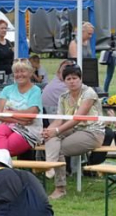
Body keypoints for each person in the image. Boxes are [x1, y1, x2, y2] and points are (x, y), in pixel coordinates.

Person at [41, 64, 105, 200]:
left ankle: (59, 187)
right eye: (68, 78)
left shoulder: (89, 93)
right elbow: (59, 120)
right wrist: (49, 131)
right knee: (51, 138)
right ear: (64, 81)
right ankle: (51, 165)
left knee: (58, 147)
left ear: (80, 79)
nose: (72, 81)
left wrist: (56, 130)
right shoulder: (63, 97)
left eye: (75, 78)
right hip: (72, 130)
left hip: (92, 132)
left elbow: (78, 118)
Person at [0, 60, 42, 156]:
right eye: (16, 72)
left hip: (27, 130)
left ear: (30, 73)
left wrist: (10, 112)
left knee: (6, 147)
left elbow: (30, 115)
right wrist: (21, 120)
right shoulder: (7, 90)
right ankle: (2, 164)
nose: (19, 74)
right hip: (8, 126)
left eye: (23, 71)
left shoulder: (35, 90)